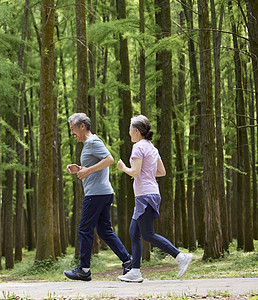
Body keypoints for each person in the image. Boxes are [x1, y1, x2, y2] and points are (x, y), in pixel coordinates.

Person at [116, 115, 192, 283]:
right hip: (151, 193)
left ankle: (180, 257)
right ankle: (135, 270)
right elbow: (162, 172)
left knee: (148, 234)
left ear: (136, 131)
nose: (129, 132)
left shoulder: (138, 148)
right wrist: (147, 174)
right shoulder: (152, 148)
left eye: (130, 129)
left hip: (144, 196)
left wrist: (123, 168)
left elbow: (135, 172)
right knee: (133, 232)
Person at [64, 113, 132, 281]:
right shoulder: (89, 144)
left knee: (85, 228)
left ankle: (84, 270)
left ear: (82, 126)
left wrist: (87, 170)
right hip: (102, 192)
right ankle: (128, 262)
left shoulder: (93, 142)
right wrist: (80, 168)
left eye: (73, 129)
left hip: (96, 194)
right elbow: (97, 165)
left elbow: (110, 159)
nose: (72, 133)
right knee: (104, 231)